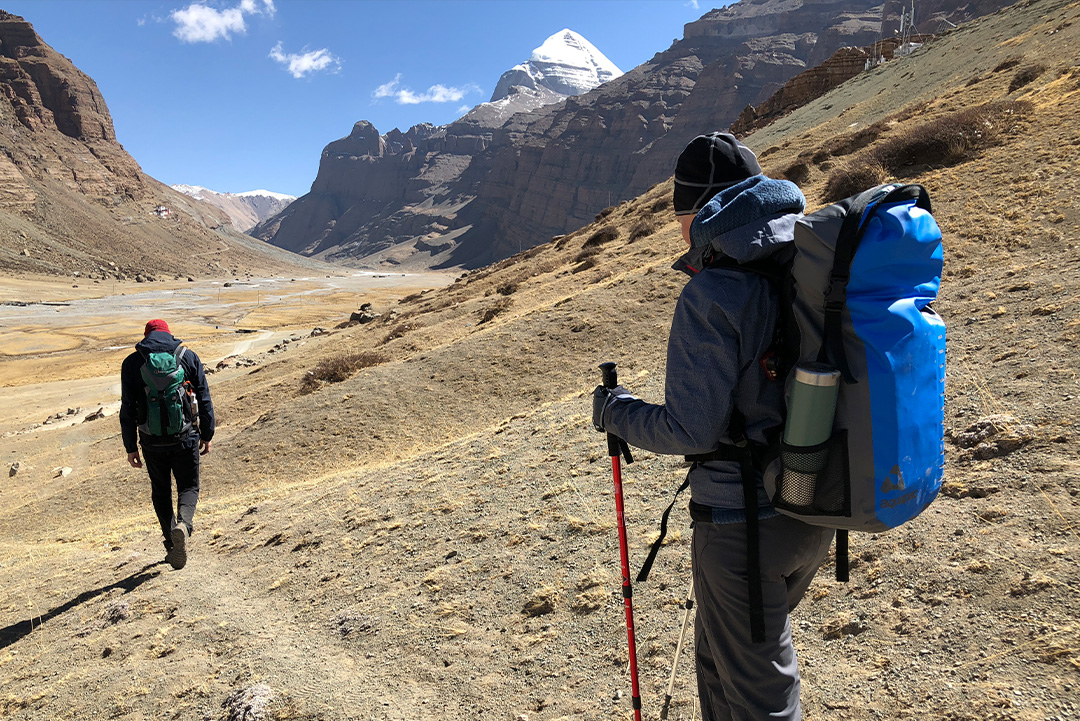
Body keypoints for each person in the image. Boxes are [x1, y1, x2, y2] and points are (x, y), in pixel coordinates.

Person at [592, 132, 834, 721]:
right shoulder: (811, 263)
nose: (679, 231)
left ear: (699, 213)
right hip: (817, 503)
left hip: (741, 525)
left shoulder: (715, 290)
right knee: (720, 662)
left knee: (759, 697)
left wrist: (613, 410)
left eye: (680, 217)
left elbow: (690, 430)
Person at [119, 319, 214, 570]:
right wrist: (208, 433)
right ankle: (183, 525)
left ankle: (172, 545)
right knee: (189, 486)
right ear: (169, 334)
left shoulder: (132, 363)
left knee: (161, 491)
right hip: (185, 437)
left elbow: (127, 409)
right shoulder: (187, 356)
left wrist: (130, 447)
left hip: (151, 442)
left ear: (146, 336)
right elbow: (203, 397)